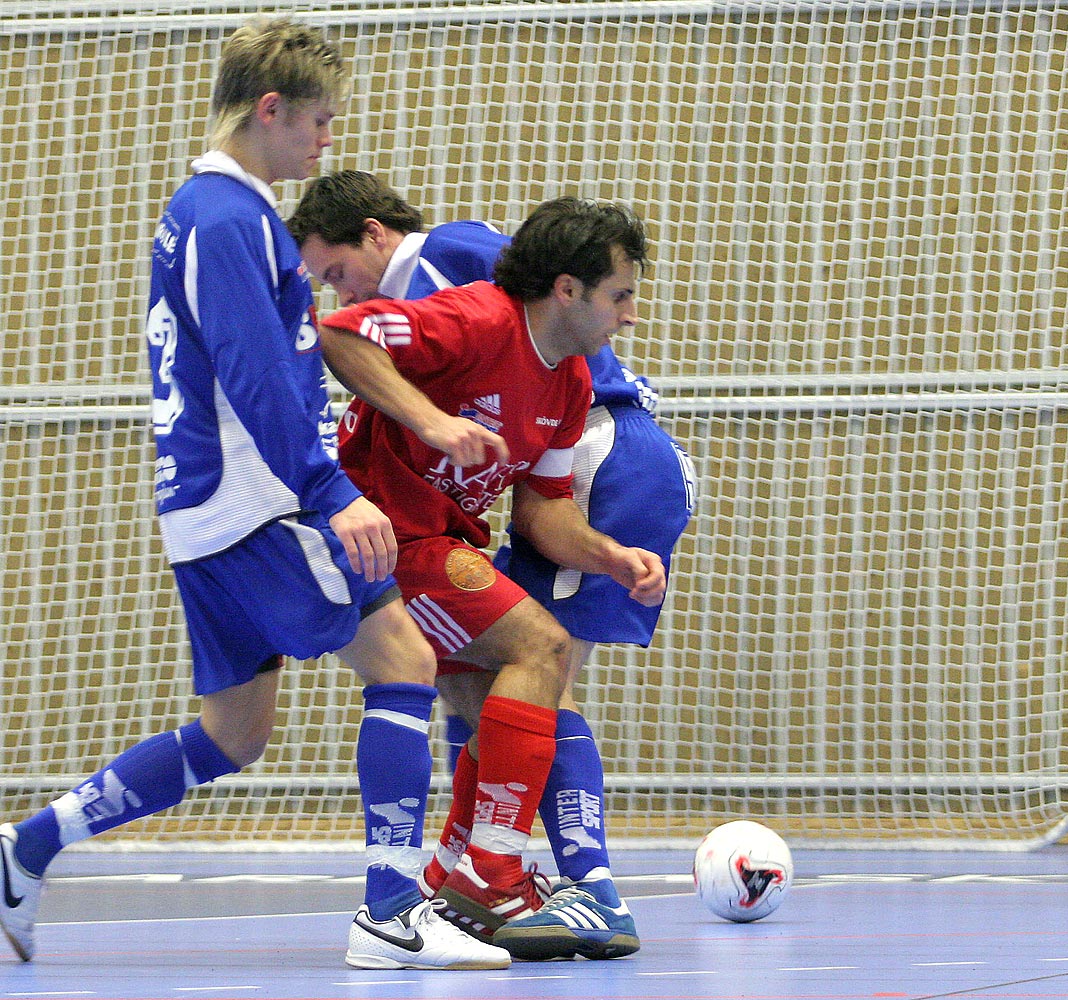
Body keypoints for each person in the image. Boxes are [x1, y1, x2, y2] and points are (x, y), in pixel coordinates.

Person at [0, 16, 510, 972]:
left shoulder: (208, 213)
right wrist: (328, 491)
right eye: (316, 121)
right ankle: (393, 913)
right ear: (269, 110)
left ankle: (25, 849)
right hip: (258, 500)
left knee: (233, 735)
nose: (327, 142)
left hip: (204, 510)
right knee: (402, 660)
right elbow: (254, 372)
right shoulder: (230, 218)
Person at [288, 172, 696, 960]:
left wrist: (613, 556)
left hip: (438, 544)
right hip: (382, 542)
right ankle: (495, 871)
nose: (632, 313)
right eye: (619, 295)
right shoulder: (474, 318)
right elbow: (338, 333)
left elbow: (544, 514)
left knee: (491, 707)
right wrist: (431, 420)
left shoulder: (571, 382)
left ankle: (452, 876)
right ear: (568, 288)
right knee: (539, 647)